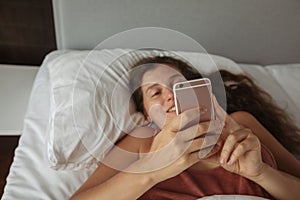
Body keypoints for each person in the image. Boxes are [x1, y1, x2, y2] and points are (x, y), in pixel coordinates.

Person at [70, 55, 300, 200]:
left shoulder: (242, 125)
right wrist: (153, 170)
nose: (170, 96)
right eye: (156, 93)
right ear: (147, 114)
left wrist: (262, 174)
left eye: (178, 86)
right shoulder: (142, 140)